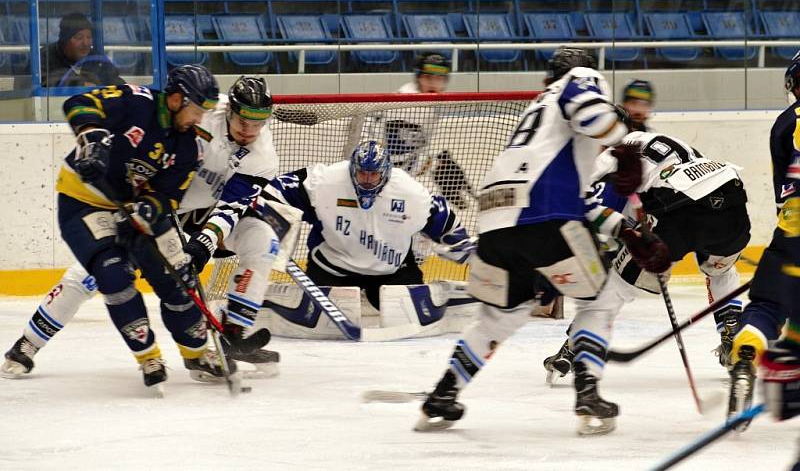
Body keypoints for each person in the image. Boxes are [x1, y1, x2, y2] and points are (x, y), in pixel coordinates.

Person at [413, 47, 671, 432]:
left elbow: (584, 203)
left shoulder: (538, 116)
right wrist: (624, 146)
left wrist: (626, 230)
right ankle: (587, 395)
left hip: (496, 222)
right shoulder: (580, 80)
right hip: (547, 218)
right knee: (598, 301)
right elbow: (590, 109)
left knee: (497, 318)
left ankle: (443, 396)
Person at [1, 75, 283, 381]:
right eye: (243, 120)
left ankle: (232, 330)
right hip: (150, 196)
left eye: (258, 124)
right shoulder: (203, 110)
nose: (248, 131)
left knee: (262, 241)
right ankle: (29, 342)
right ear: (229, 110)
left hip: (191, 206)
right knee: (98, 272)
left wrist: (202, 244)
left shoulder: (263, 158)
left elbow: (229, 208)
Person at [542, 129, 750, 434]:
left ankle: (574, 348)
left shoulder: (610, 154)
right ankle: (732, 336)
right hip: (730, 199)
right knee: (720, 272)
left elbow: (594, 208)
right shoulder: (658, 140)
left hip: (676, 211)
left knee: (618, 285)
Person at [211, 140, 475, 313]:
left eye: (374, 174)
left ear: (386, 173)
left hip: (390, 270)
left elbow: (443, 218)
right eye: (362, 173)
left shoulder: (410, 193)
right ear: (352, 170)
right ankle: (265, 300)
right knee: (316, 311)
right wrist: (262, 220)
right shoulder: (327, 181)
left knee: (405, 311)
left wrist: (466, 250)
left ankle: (446, 292)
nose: (368, 180)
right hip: (332, 266)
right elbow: (278, 190)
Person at [732, 56, 800, 425]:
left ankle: (746, 355)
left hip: (794, 229)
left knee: (768, 306)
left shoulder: (785, 123)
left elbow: (783, 193)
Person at [40, 12, 124, 87]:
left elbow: (115, 80)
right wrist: (79, 84)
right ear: (65, 39)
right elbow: (42, 83)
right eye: (79, 37)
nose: (85, 43)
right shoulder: (44, 57)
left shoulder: (96, 59)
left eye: (89, 37)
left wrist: (126, 89)